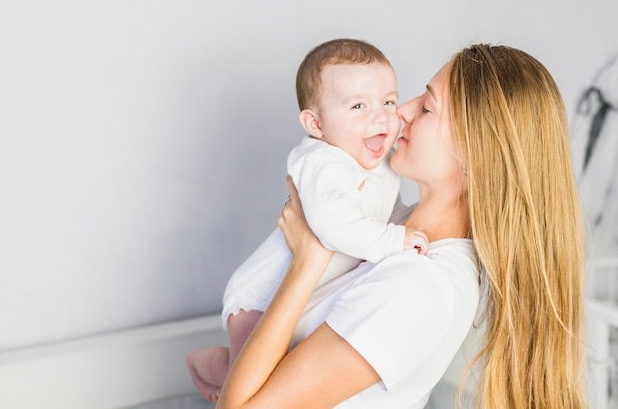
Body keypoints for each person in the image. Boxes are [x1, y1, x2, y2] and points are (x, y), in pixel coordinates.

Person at [215, 44, 588, 409]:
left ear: (475, 155)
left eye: (427, 108)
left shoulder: (419, 285)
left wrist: (306, 263)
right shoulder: (392, 227)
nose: (402, 112)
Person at [187, 39, 429, 402]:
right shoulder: (323, 162)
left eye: (388, 102)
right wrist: (395, 241)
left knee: (272, 379)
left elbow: (387, 212)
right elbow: (334, 226)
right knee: (249, 385)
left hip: (295, 297)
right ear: (315, 124)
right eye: (358, 106)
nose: (380, 117)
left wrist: (408, 225)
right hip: (258, 300)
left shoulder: (378, 164)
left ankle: (220, 375)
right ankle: (204, 367)